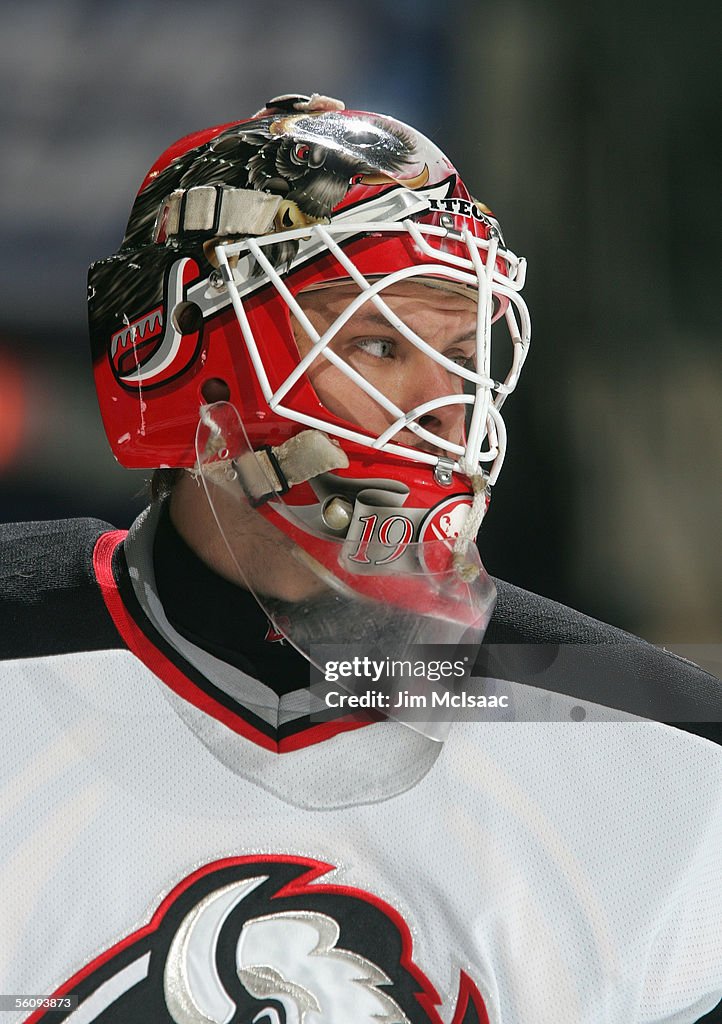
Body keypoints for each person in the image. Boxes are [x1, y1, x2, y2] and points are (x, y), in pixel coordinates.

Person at [1, 93, 721, 1024]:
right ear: (182, 353)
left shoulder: (674, 760)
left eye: (464, 351)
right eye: (383, 342)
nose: (447, 405)